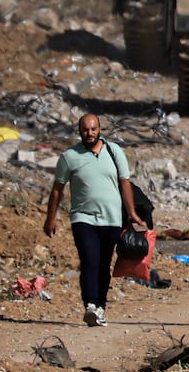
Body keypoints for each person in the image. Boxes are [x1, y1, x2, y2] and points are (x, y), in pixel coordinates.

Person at [45, 113, 146, 328]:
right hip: (84, 219)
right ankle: (90, 305)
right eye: (85, 130)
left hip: (112, 218)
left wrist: (131, 212)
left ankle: (100, 306)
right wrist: (50, 219)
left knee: (103, 264)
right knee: (90, 260)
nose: (89, 133)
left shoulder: (114, 151)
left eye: (93, 129)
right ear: (79, 131)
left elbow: (125, 183)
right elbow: (57, 190)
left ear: (99, 129)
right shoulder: (69, 157)